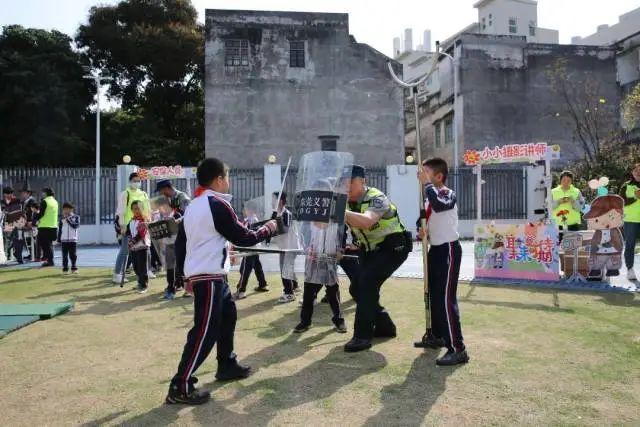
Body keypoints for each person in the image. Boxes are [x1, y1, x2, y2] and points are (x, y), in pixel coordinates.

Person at [166, 158, 279, 405]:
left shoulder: (194, 206)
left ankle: (226, 364)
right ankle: (180, 385)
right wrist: (269, 228)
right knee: (205, 330)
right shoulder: (217, 204)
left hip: (209, 274)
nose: (228, 182)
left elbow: (182, 244)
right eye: (227, 177)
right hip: (208, 276)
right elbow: (244, 237)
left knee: (228, 316)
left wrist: (185, 277)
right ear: (218, 179)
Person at [343, 165, 412, 353]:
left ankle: (362, 337)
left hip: (394, 248)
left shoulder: (377, 197)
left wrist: (339, 210)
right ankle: (385, 326)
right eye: (343, 182)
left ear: (363, 181)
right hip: (371, 251)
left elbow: (367, 221)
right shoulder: (346, 203)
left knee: (366, 283)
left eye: (351, 181)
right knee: (356, 288)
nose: (346, 185)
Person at [414, 158, 469, 366]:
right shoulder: (427, 198)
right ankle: (437, 336)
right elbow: (424, 221)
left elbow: (440, 204)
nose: (421, 176)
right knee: (434, 296)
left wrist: (427, 185)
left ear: (439, 176)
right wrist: (421, 231)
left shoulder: (446, 192)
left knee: (446, 299)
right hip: (435, 250)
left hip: (448, 250)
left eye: (426, 173)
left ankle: (458, 348)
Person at [294, 205, 347, 334]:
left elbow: (344, 234)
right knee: (308, 293)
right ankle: (305, 321)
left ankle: (339, 320)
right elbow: (303, 235)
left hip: (330, 257)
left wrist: (341, 249)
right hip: (313, 259)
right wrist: (307, 249)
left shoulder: (337, 216)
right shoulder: (310, 217)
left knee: (333, 292)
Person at [155, 179, 191, 300]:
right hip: (170, 234)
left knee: (181, 261)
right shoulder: (167, 200)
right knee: (170, 260)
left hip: (183, 234)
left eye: (161, 191)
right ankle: (172, 286)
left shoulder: (182, 197)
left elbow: (189, 214)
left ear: (167, 188)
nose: (161, 194)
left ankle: (183, 286)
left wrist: (177, 220)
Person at [113, 172, 150, 283]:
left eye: (138, 180)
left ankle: (146, 271)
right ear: (130, 181)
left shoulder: (143, 194)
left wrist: (148, 221)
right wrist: (122, 225)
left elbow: (147, 209)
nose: (137, 183)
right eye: (134, 180)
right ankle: (117, 274)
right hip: (129, 225)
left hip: (142, 225)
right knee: (125, 250)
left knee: (145, 249)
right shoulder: (125, 194)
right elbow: (120, 211)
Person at [234, 206, 269, 300]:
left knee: (245, 270)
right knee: (257, 267)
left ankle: (241, 290)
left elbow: (249, 233)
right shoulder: (247, 219)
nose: (244, 210)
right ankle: (263, 284)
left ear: (251, 210)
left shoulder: (253, 220)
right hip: (253, 248)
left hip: (251, 248)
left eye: (246, 208)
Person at [274, 191, 299, 303]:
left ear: (281, 201)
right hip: (283, 246)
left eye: (274, 199)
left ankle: (289, 293)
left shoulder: (286, 214)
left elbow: (285, 230)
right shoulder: (276, 214)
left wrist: (276, 223)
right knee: (288, 268)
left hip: (290, 247)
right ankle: (295, 286)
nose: (272, 201)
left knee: (285, 269)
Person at [619, 163, 640, 280]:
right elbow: (620, 202)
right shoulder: (626, 186)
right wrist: (635, 198)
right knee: (630, 245)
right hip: (630, 220)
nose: (638, 172)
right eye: (636, 170)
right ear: (632, 172)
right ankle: (630, 269)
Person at [551, 171, 585, 240]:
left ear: (571, 181)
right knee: (557, 247)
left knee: (573, 247)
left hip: (573, 223)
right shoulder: (552, 192)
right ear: (560, 180)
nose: (566, 182)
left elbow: (580, 208)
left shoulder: (577, 191)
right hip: (557, 224)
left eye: (568, 180)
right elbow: (548, 207)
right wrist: (558, 202)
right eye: (564, 180)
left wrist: (573, 202)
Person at [127, 201, 151, 294]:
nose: (136, 210)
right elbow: (129, 233)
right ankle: (139, 282)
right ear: (132, 210)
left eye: (138, 208)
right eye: (134, 209)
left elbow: (141, 234)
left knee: (142, 267)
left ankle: (144, 285)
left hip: (142, 247)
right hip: (134, 248)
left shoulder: (144, 220)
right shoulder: (131, 220)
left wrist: (133, 241)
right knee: (136, 267)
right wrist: (129, 240)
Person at [37, 188, 59, 267]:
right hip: (53, 226)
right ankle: (49, 260)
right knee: (49, 245)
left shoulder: (45, 201)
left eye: (43, 193)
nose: (42, 194)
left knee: (45, 245)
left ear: (46, 193)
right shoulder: (55, 202)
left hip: (44, 226)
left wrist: (35, 218)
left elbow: (41, 214)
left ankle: (50, 261)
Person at [57, 202, 80, 274]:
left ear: (71, 209)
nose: (65, 211)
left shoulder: (76, 217)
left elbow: (75, 226)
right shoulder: (61, 219)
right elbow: (60, 230)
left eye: (67, 209)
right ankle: (65, 269)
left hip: (73, 239)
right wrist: (58, 239)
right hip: (64, 240)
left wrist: (68, 219)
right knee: (64, 256)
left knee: (73, 255)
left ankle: (74, 268)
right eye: (64, 209)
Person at [2, 187, 23, 261]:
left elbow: (20, 212)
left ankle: (19, 257)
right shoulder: (2, 202)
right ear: (4, 194)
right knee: (8, 240)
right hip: (9, 223)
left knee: (19, 240)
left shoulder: (17, 201)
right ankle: (7, 255)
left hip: (18, 223)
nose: (10, 195)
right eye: (8, 194)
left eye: (11, 193)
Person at [20, 188, 38, 260]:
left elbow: (35, 212)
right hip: (26, 222)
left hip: (31, 222)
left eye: (23, 192)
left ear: (28, 193)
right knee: (28, 239)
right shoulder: (25, 201)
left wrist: (31, 221)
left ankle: (35, 254)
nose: (22, 194)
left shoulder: (32, 201)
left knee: (33, 238)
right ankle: (31, 253)